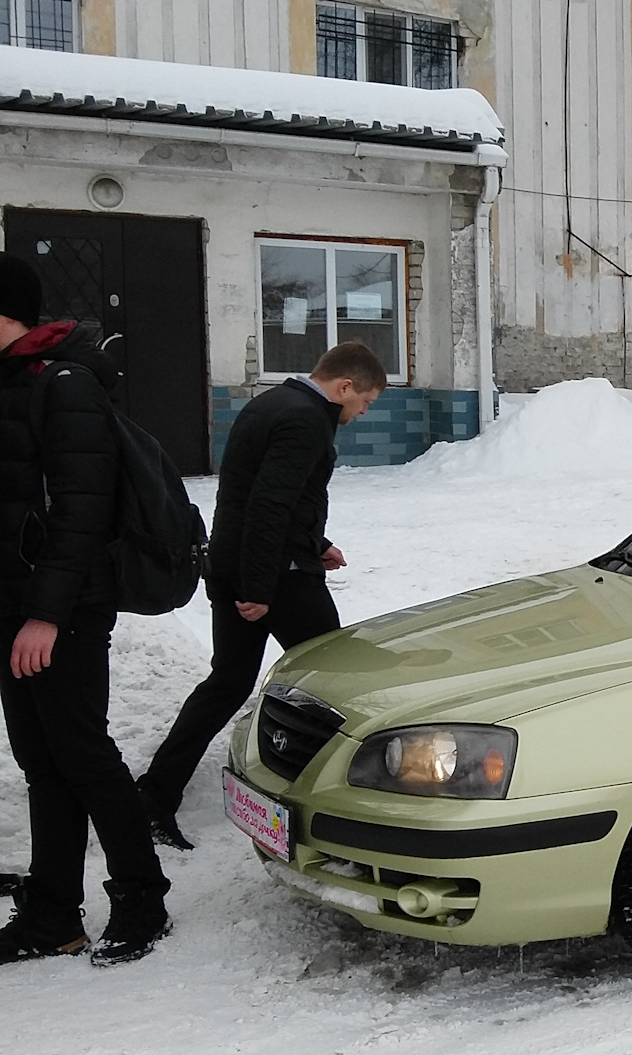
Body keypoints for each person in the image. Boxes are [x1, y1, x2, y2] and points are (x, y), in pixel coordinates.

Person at [137, 342, 385, 851]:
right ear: (344, 387)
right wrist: (258, 589)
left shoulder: (274, 403)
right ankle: (334, 792)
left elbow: (256, 495)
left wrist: (317, 543)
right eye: (365, 402)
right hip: (276, 579)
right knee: (337, 676)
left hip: (240, 565)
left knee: (227, 683)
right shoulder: (305, 420)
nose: (363, 413)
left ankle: (153, 797)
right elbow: (269, 507)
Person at [0, 255, 171, 965]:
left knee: (85, 755)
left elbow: (80, 512)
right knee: (42, 760)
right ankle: (53, 912)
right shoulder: (9, 381)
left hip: (64, 607)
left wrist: (45, 614)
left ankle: (141, 896)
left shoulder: (63, 383)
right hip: (15, 606)